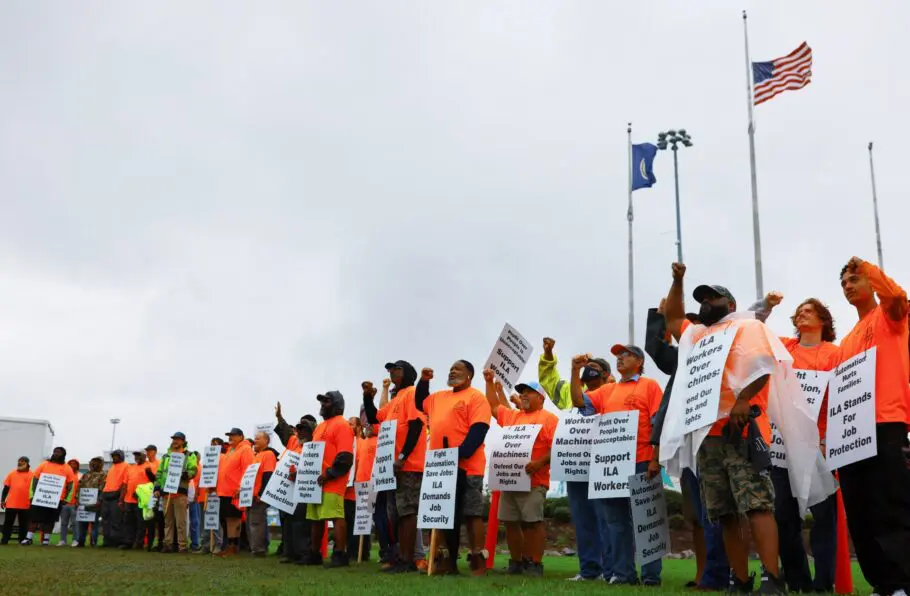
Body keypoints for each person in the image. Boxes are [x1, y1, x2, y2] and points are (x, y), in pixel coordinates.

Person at [663, 263, 785, 594]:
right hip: (707, 437)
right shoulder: (696, 335)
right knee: (724, 512)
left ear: (730, 305)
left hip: (741, 430)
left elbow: (764, 363)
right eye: (702, 299)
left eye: (713, 298)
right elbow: (672, 317)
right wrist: (677, 281)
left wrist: (744, 399)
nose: (706, 302)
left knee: (757, 504)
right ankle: (741, 582)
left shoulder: (746, 327)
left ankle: (774, 579)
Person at [645, 301, 730, 590]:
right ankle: (703, 573)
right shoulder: (681, 361)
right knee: (695, 516)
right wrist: (658, 317)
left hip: (716, 442)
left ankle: (725, 573)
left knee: (718, 512)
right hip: (685, 448)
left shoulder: (725, 348)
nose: (690, 334)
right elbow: (655, 350)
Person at [837, 257, 910, 594]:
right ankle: (882, 583)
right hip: (851, 433)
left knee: (889, 506)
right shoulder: (847, 339)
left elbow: (896, 297)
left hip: (886, 423)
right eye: (845, 283)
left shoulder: (890, 316)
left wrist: (869, 268)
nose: (849, 286)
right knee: (860, 512)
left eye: (855, 279)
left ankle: (901, 584)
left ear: (869, 282)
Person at [570, 344, 663, 586]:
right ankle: (624, 575)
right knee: (615, 522)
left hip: (642, 460)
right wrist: (574, 370)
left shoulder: (649, 385)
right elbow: (580, 403)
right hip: (612, 465)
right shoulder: (608, 389)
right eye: (618, 356)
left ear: (640, 362)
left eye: (627, 355)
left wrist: (656, 458)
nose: (620, 359)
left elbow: (658, 422)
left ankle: (651, 577)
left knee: (646, 519)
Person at [538, 337, 615, 582]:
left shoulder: (614, 392)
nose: (589, 375)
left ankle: (610, 570)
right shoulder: (572, 393)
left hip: (604, 465)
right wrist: (548, 354)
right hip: (575, 465)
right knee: (583, 520)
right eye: (586, 371)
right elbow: (549, 383)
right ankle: (589, 570)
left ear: (606, 375)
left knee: (607, 520)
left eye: (595, 371)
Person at [415, 360, 492, 576]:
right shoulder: (439, 397)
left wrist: (460, 452)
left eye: (458, 368)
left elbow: (479, 429)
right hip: (441, 466)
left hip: (468, 466)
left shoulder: (476, 397)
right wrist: (424, 381)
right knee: (440, 513)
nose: (452, 370)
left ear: (469, 375)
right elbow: (420, 402)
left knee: (471, 513)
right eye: (451, 367)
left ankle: (477, 558)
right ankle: (445, 559)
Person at [484, 371, 558, 576]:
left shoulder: (549, 419)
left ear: (541, 397)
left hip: (535, 481)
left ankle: (535, 564)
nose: (524, 395)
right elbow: (493, 407)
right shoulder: (513, 416)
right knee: (510, 522)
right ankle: (516, 563)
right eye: (522, 392)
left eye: (529, 392)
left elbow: (557, 447)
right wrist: (488, 382)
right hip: (511, 481)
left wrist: (539, 463)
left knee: (533, 523)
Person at [364, 360, 427, 573]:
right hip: (392, 467)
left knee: (407, 512)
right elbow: (375, 417)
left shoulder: (412, 393)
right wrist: (367, 396)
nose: (392, 372)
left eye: (397, 369)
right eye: (390, 369)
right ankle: (401, 558)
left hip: (407, 465)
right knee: (396, 514)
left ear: (409, 373)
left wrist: (402, 456)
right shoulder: (396, 398)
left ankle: (408, 560)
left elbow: (417, 425)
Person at [306, 391, 355, 567]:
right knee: (316, 518)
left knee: (335, 516)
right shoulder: (320, 427)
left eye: (326, 402)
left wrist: (330, 474)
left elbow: (346, 456)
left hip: (332, 479)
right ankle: (314, 554)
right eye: (322, 401)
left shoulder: (342, 425)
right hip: (317, 481)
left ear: (336, 405)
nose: (322, 405)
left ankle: (340, 554)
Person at [154, 431, 198, 554]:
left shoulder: (189, 455)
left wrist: (187, 475)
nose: (175, 441)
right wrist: (157, 488)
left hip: (180, 493)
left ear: (183, 441)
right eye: (174, 439)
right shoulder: (166, 456)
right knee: (168, 522)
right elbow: (159, 473)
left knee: (181, 522)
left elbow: (194, 470)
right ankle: (167, 544)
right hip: (166, 492)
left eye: (178, 439)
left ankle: (182, 546)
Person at [22, 447, 76, 546]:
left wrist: (67, 499)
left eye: (58, 452)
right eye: (55, 452)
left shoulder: (67, 468)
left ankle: (46, 540)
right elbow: (34, 480)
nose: (55, 453)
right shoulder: (44, 465)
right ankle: (28, 538)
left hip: (56, 499)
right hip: (39, 497)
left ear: (63, 455)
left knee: (50, 520)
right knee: (34, 518)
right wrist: (31, 495)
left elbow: (71, 485)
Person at [217, 428, 253, 557]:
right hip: (224, 491)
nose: (230, 437)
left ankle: (233, 546)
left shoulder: (245, 449)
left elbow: (247, 469)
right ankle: (229, 545)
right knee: (227, 519)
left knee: (234, 519)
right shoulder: (230, 450)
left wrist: (241, 487)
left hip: (234, 491)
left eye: (233, 435)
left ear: (241, 436)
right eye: (229, 435)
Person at [349, 408, 377, 562]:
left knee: (367, 519)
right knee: (359, 520)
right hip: (357, 485)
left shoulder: (366, 441)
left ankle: (363, 552)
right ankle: (356, 551)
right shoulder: (359, 442)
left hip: (370, 484)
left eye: (352, 424)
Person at [247, 431, 277, 557]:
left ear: (267, 441)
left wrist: (262, 493)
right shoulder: (257, 455)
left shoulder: (268, 454)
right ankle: (257, 547)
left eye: (258, 439)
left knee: (256, 522)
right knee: (253, 522)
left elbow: (268, 475)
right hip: (251, 495)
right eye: (255, 438)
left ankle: (259, 549)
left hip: (259, 495)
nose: (255, 441)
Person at [120, 450, 154, 550]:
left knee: (141, 523)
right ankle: (128, 542)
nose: (136, 457)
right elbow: (125, 484)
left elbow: (153, 482)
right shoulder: (130, 468)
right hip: (128, 500)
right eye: (135, 455)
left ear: (144, 456)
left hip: (142, 501)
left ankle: (139, 543)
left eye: (139, 455)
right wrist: (121, 499)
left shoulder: (150, 466)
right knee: (128, 522)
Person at [199, 437, 226, 555]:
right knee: (206, 519)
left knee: (215, 519)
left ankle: (218, 545)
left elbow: (223, 474)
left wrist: (216, 486)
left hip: (218, 492)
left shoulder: (224, 458)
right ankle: (206, 544)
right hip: (208, 492)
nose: (212, 446)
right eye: (211, 444)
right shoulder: (208, 458)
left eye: (215, 444)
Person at [74, 457, 106, 548]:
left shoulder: (103, 475)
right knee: (82, 523)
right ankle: (81, 542)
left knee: (94, 524)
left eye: (96, 463)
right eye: (92, 463)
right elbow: (79, 487)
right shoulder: (86, 474)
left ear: (101, 464)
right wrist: (77, 499)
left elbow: (103, 489)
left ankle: (93, 542)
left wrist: (99, 500)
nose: (93, 464)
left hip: (95, 503)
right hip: (83, 503)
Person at [1, 457, 34, 545]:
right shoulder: (12, 473)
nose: (19, 463)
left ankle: (22, 540)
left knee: (24, 524)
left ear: (27, 463)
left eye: (22, 461)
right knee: (8, 523)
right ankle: (4, 540)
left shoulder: (32, 475)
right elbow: (6, 488)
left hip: (26, 504)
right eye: (19, 461)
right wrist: (2, 500)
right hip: (11, 503)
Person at [100, 449, 128, 547]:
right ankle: (106, 541)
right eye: (113, 456)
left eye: (116, 456)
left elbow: (125, 482)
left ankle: (115, 541)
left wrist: (120, 497)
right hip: (106, 495)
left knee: (116, 520)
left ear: (121, 456)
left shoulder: (126, 466)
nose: (114, 457)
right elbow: (106, 482)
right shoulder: (112, 467)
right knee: (105, 520)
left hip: (116, 496)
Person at [145, 444, 165, 550]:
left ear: (155, 452)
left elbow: (158, 480)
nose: (147, 453)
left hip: (156, 496)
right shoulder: (145, 463)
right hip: (146, 496)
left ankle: (160, 543)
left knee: (160, 520)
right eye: (147, 451)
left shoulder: (159, 463)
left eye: (150, 451)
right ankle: (149, 544)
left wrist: (150, 474)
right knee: (149, 520)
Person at [57, 459, 80, 546]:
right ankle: (63, 540)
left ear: (77, 466)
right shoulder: (64, 475)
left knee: (75, 523)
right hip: (64, 503)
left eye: (74, 464)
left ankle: (75, 540)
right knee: (63, 523)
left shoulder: (79, 476)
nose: (72, 465)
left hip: (74, 503)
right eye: (70, 464)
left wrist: (78, 500)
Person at [187, 451, 202, 552]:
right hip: (186, 496)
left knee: (195, 521)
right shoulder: (188, 468)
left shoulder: (201, 468)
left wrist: (197, 494)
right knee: (186, 522)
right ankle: (184, 543)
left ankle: (195, 543)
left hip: (194, 498)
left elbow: (200, 482)